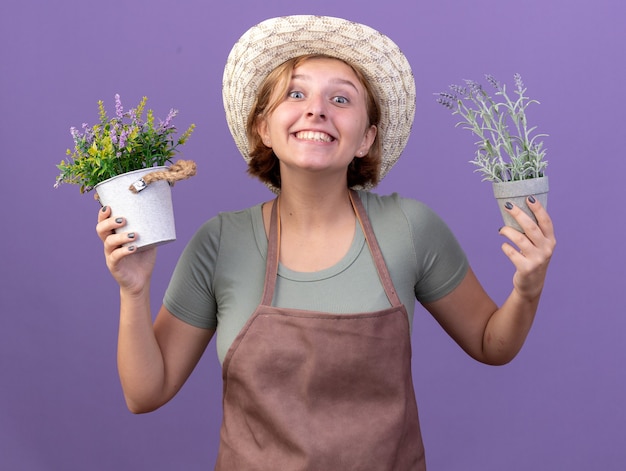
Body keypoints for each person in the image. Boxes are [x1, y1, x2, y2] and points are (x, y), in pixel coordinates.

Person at [96, 15, 556, 470]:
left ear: (366, 138)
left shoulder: (410, 228)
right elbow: (145, 393)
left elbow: (491, 345)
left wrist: (527, 289)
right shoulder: (220, 242)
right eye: (295, 93)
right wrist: (133, 290)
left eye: (341, 98)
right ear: (263, 127)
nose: (317, 109)